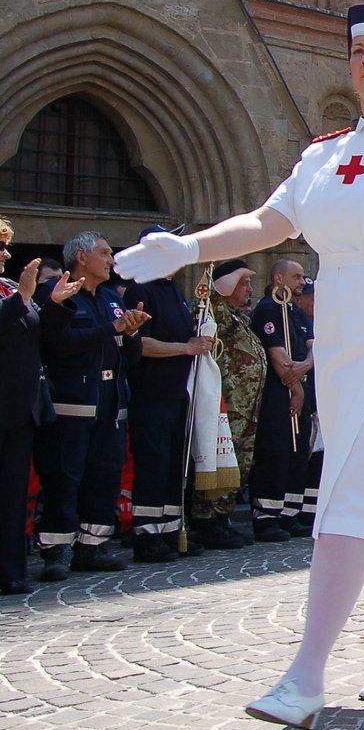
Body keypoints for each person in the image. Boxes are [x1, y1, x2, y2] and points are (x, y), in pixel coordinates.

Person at [114, 2, 364, 730]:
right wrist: (186, 248)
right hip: (344, 333)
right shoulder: (326, 153)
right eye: (358, 48)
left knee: (351, 485)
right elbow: (270, 224)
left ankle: (305, 675)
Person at [37, 231, 148, 580]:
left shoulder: (112, 299)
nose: (112, 260)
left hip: (111, 407)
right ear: (81, 258)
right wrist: (112, 328)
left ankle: (93, 546)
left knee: (104, 479)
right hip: (72, 408)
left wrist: (129, 333)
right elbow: (60, 344)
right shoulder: (59, 294)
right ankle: (56, 552)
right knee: (64, 479)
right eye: (104, 253)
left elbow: (132, 355)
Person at [122, 224, 215, 563]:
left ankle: (172, 531)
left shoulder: (172, 289)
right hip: (152, 393)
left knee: (174, 465)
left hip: (177, 393)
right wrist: (186, 347)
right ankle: (147, 535)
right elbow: (140, 343)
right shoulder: (138, 289)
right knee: (154, 464)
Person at [0, 219, 80, 594]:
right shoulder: (16, 293)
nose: (5, 254)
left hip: (21, 407)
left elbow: (37, 335)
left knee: (14, 495)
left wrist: (55, 304)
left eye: (6, 246)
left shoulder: (12, 288)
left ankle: (11, 571)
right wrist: (22, 299)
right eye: (0, 247)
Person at [188, 259, 263, 550]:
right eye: (243, 282)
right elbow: (215, 292)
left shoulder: (237, 317)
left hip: (246, 410)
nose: (249, 288)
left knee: (238, 464)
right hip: (225, 406)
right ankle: (206, 520)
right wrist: (238, 262)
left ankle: (222, 516)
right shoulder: (215, 312)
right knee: (218, 460)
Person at [249, 259, 313, 540]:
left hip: (301, 384)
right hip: (279, 393)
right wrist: (297, 388)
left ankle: (289, 512)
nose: (301, 282)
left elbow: (313, 348)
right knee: (276, 451)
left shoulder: (295, 312)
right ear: (278, 278)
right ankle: (266, 515)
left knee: (298, 454)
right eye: (296, 277)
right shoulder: (268, 309)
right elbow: (277, 355)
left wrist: (305, 367)